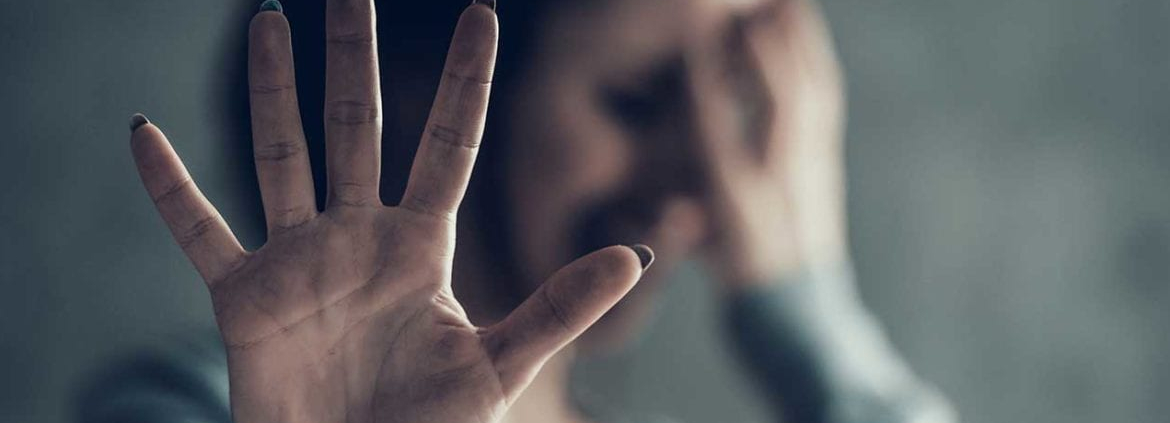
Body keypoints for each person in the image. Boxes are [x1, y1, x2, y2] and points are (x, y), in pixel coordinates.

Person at [78, 0, 957, 422]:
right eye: (636, 98)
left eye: (733, 99)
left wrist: (812, 317)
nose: (708, 177)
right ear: (419, 108)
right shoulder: (177, 407)